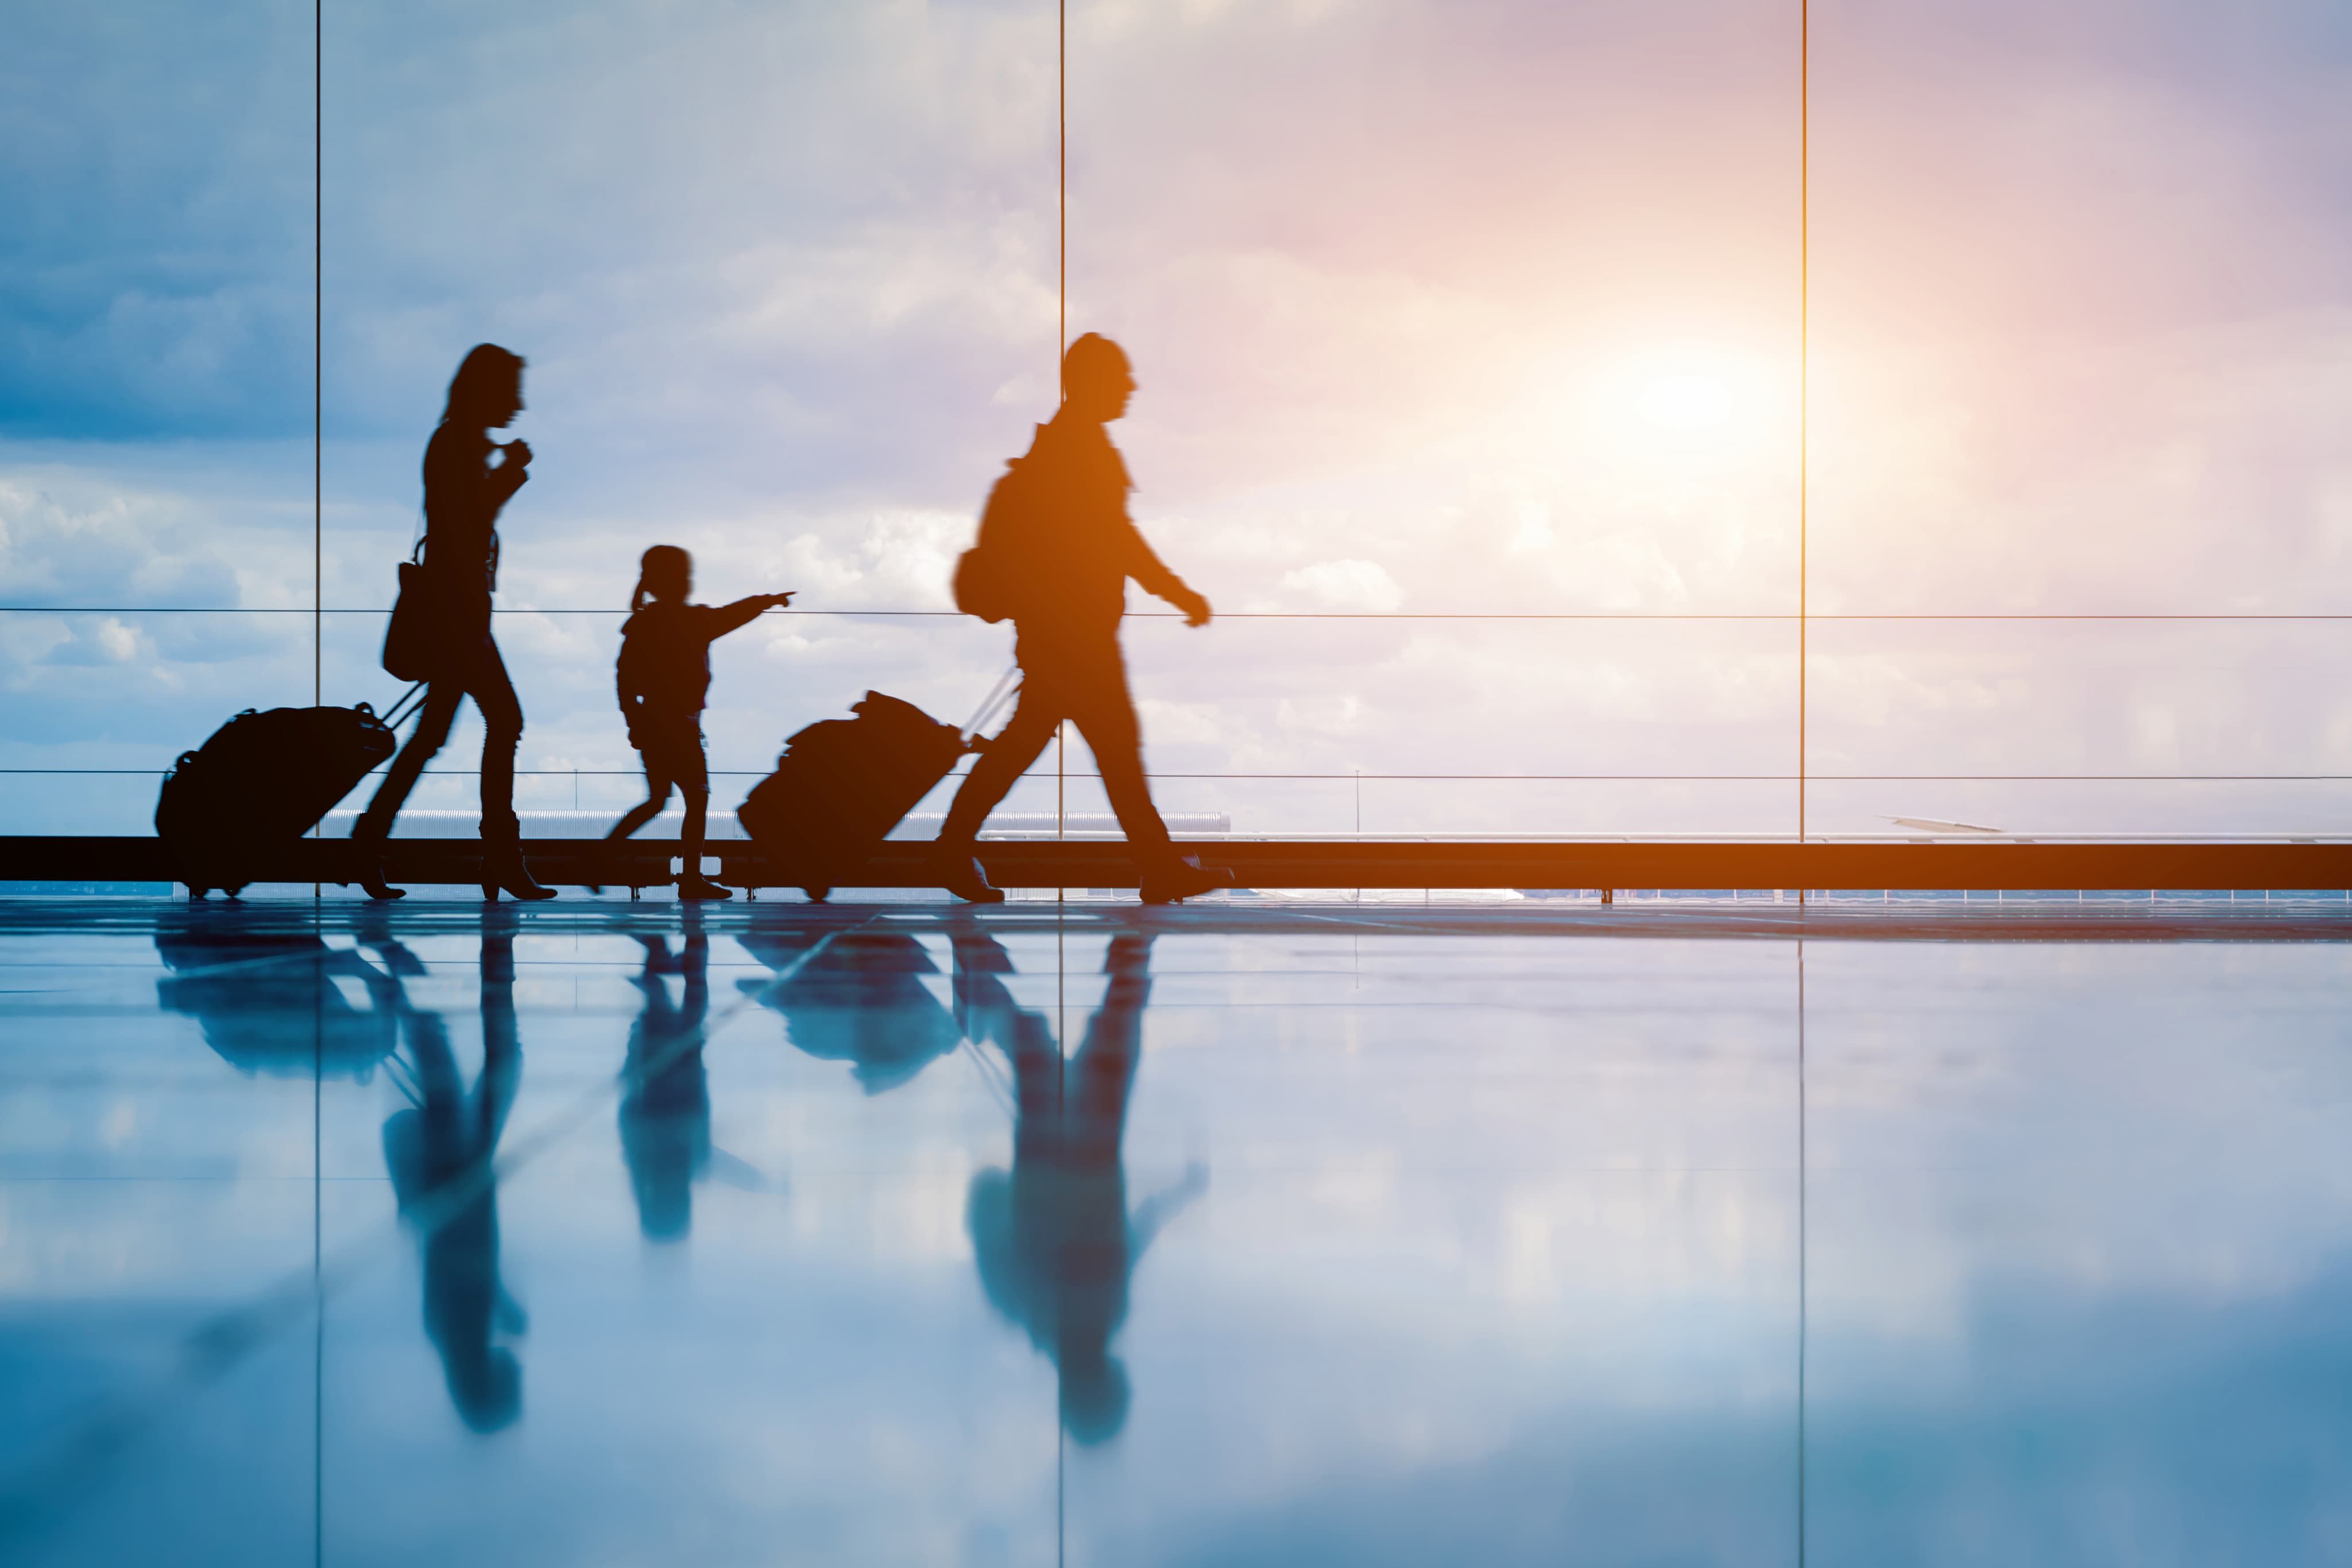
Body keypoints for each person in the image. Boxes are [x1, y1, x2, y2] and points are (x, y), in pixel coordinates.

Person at [937, 334, 1232, 905]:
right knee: (1112, 749)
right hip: (1076, 638)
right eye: (1120, 377)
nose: (1131, 387)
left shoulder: (1063, 448)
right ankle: (1158, 866)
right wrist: (1177, 593)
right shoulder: (1082, 451)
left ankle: (951, 849)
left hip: (1058, 633)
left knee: (1031, 747)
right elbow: (1118, 541)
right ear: (1091, 382)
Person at [961, 925, 1206, 1444]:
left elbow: (1132, 1237)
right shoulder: (1030, 1310)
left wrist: (1175, 1196)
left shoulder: (1086, 1310)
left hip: (1087, 1144)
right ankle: (980, 966)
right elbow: (986, 1212)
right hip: (1058, 1148)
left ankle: (1131, 942)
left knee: (1101, 1028)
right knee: (1038, 1040)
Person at [355, 343, 553, 901]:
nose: (518, 404)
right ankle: (500, 859)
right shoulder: (457, 446)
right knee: (504, 721)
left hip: (456, 615)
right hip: (459, 618)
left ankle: (369, 843)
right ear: (486, 391)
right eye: (510, 391)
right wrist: (512, 472)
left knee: (430, 738)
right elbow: (467, 524)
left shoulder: (456, 443)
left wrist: (504, 469)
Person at [604, 545, 794, 900]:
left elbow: (624, 681)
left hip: (653, 724)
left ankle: (601, 857)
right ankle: (690, 877)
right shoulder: (692, 622)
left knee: (659, 799)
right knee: (697, 798)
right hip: (679, 727)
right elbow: (732, 615)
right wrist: (767, 600)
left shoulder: (643, 624)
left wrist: (634, 724)